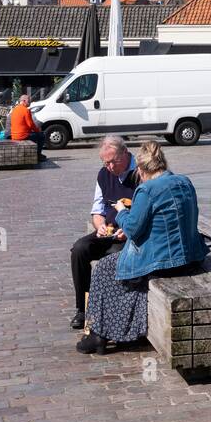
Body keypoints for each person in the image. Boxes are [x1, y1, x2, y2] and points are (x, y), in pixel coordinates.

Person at [77, 141, 207, 355]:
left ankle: (98, 334)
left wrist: (120, 210)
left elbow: (132, 229)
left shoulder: (147, 190)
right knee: (122, 271)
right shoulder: (184, 181)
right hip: (192, 257)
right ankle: (129, 330)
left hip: (164, 262)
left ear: (142, 170)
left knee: (103, 269)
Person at [69, 135, 139, 330]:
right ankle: (82, 309)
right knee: (79, 250)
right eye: (104, 162)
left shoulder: (140, 173)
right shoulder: (103, 174)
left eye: (112, 162)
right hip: (109, 229)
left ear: (125, 154)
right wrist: (99, 225)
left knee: (114, 257)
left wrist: (129, 230)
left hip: (131, 233)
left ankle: (110, 312)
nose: (109, 167)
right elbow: (97, 210)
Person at [9, 94, 47, 160]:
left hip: (14, 136)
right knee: (41, 136)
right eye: (29, 101)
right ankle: (38, 155)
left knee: (35, 135)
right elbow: (31, 125)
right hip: (23, 136)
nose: (30, 103)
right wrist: (38, 131)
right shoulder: (26, 110)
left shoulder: (15, 109)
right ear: (24, 101)